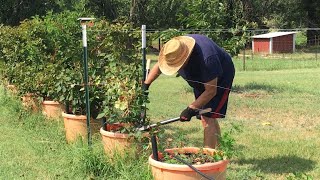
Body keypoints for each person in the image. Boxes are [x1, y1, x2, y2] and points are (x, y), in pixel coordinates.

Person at [143, 34, 235, 148]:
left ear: (187, 57)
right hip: (200, 79)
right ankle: (221, 149)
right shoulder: (174, 49)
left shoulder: (207, 59)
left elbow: (211, 91)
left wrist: (191, 109)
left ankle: (209, 158)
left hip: (220, 78)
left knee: (207, 116)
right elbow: (159, 65)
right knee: (207, 116)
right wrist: (146, 84)